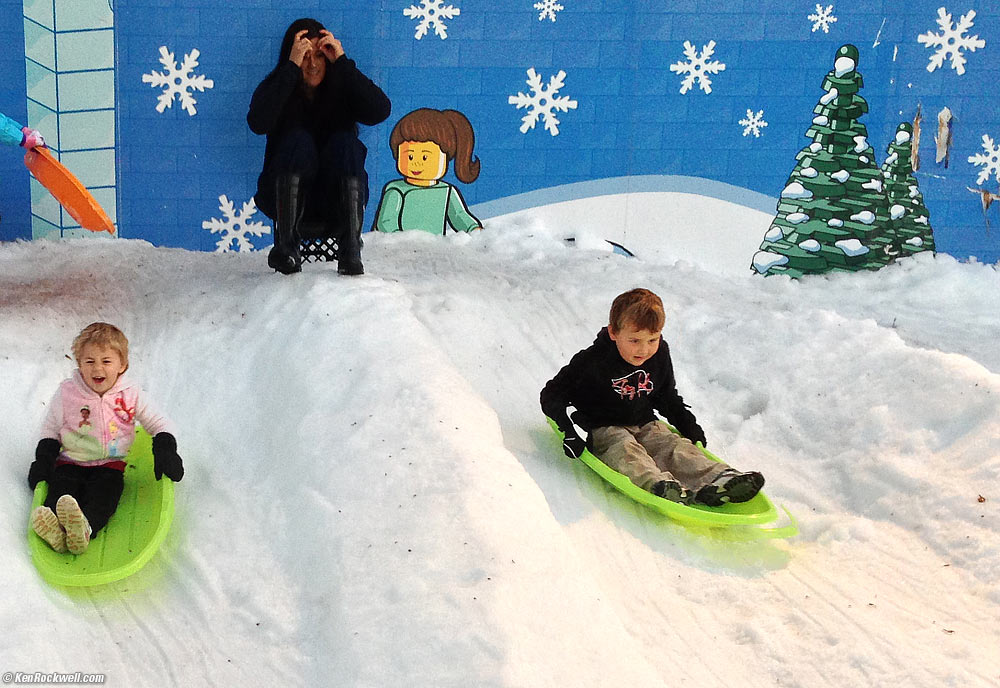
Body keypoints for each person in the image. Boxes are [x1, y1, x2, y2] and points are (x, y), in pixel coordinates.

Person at [540, 288, 764, 505]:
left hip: (645, 422)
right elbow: (551, 395)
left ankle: (720, 480)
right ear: (613, 333)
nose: (644, 350)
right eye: (634, 340)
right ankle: (660, 486)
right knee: (625, 451)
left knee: (674, 447)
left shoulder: (659, 354)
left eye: (652, 340)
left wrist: (687, 425)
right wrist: (568, 432)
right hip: (605, 427)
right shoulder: (591, 362)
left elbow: (665, 395)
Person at [248, 17, 391, 275]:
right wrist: (290, 68)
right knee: (298, 141)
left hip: (334, 199)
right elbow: (258, 122)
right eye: (304, 56)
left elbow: (380, 110)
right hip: (285, 196)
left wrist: (343, 63)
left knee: (346, 144)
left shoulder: (342, 89)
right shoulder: (280, 86)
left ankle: (350, 251)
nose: (312, 64)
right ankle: (287, 249)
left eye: (319, 56)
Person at [27, 323, 184, 554]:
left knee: (103, 498)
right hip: (70, 461)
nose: (97, 368)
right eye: (89, 361)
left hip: (110, 466)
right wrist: (44, 460)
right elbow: (51, 427)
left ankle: (84, 529)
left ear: (122, 365)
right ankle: (56, 531)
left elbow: (159, 422)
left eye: (106, 361)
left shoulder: (131, 394)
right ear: (79, 363)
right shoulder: (67, 393)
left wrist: (165, 450)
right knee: (61, 494)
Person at [372, 108, 482, 234]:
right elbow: (386, 223)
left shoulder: (447, 191)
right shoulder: (396, 190)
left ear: (446, 158)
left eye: (425, 157)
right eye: (410, 156)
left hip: (433, 249)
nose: (416, 163)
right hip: (401, 248)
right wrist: (401, 241)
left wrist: (473, 228)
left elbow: (459, 216)